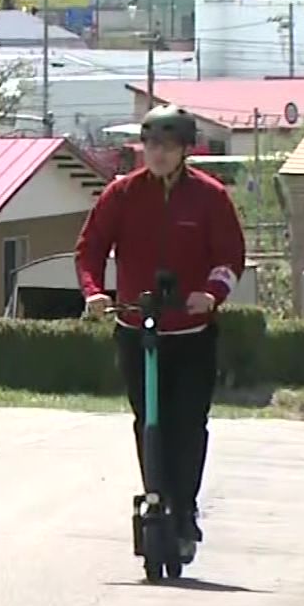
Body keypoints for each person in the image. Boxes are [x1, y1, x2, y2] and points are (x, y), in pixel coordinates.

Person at [75, 104, 246, 562]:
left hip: (191, 333)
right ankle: (156, 493)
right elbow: (90, 250)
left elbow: (230, 258)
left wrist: (211, 294)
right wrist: (94, 292)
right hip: (137, 330)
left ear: (185, 150)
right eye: (151, 145)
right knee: (148, 420)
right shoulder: (122, 194)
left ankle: (184, 510)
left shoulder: (210, 197)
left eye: (168, 147)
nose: (159, 154)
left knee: (187, 424)